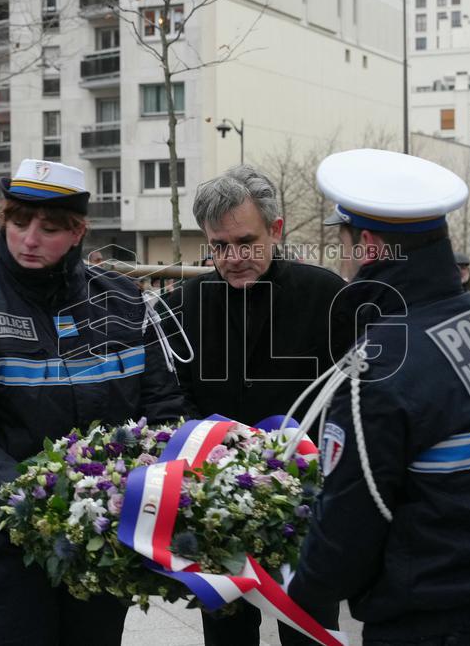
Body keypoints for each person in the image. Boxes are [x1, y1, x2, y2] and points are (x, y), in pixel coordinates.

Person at [0, 159, 185, 645]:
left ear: (79, 231)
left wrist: (153, 488)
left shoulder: (123, 302)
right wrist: (42, 505)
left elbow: (161, 406)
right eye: (18, 222)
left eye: (51, 228)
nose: (30, 239)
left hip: (96, 533)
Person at [288, 149, 470, 644]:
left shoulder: (381, 366)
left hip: (427, 623)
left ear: (366, 245)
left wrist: (289, 585)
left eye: (339, 241)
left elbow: (348, 532)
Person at [162, 164, 350, 646]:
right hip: (215, 506)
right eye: (220, 246)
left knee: (307, 633)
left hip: (304, 508)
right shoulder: (187, 302)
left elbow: (351, 399)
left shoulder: (326, 295)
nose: (233, 257)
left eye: (246, 241)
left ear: (276, 230)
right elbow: (172, 394)